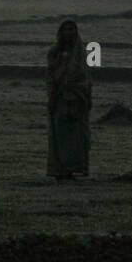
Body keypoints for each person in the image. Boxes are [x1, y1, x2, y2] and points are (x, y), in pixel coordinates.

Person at [46, 18, 91, 180]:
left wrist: (80, 93)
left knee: (76, 136)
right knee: (59, 133)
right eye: (65, 29)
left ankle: (73, 169)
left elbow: (84, 77)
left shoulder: (80, 52)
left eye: (72, 29)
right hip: (59, 97)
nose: (68, 33)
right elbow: (51, 75)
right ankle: (59, 169)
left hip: (77, 98)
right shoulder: (54, 51)